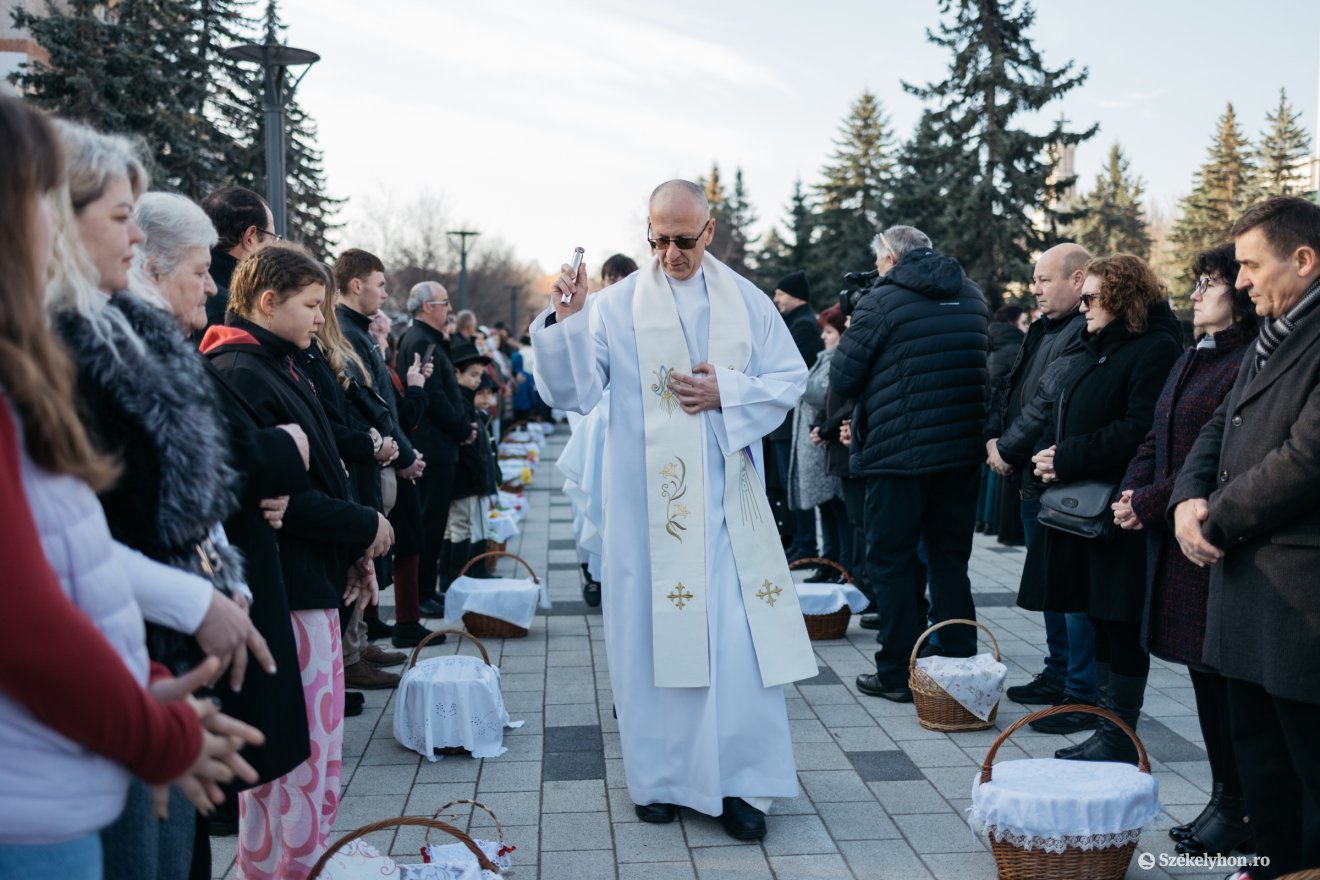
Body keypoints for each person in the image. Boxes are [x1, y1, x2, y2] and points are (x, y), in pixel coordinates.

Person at [0, 93, 260, 879]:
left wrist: (153, 681)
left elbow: (67, 548)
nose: (137, 232)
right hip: (49, 765)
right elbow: (29, 608)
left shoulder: (90, 340)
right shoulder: (53, 356)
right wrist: (155, 719)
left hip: (110, 704)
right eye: (118, 216)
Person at [532, 179, 815, 841]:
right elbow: (575, 392)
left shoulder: (747, 301)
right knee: (650, 645)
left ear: (709, 232)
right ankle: (659, 780)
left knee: (735, 650)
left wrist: (730, 390)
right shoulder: (617, 305)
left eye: (683, 240)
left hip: (724, 513)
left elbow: (790, 378)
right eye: (656, 239)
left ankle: (742, 784)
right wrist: (569, 320)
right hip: (645, 515)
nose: (669, 253)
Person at [131, 191, 315, 852]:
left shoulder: (166, 349)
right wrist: (286, 449)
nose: (213, 286)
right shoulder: (147, 356)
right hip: (160, 651)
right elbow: (221, 458)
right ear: (151, 268)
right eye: (200, 270)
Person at [201, 243, 391, 879]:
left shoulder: (281, 361)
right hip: (284, 590)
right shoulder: (240, 370)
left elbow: (322, 469)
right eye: (313, 305)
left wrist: (354, 549)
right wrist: (363, 525)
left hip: (311, 577)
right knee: (303, 759)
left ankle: (281, 866)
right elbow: (283, 498)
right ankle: (294, 868)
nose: (320, 318)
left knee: (301, 755)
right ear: (267, 302)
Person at [1170, 197, 1320, 880]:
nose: (1242, 281)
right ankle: (1269, 864)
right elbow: (1215, 432)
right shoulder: (1271, 337)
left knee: (1306, 758)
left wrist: (1215, 516)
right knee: (1257, 753)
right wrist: (1184, 505)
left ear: (1304, 260)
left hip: (1298, 592)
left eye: (1252, 266)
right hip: (1244, 590)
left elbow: (1306, 459)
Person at [1112, 243, 1256, 857]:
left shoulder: (1246, 359)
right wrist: (1132, 489)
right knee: (1202, 672)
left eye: (1210, 283)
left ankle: (1239, 806)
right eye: (1196, 283)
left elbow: (1218, 458)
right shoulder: (1194, 355)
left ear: (1242, 296)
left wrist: (1148, 503)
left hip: (1210, 535)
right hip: (1174, 531)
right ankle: (1223, 799)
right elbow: (1156, 433)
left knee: (1224, 676)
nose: (1195, 294)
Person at [1017, 254, 1182, 764]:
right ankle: (1109, 730)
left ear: (1121, 298)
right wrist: (1049, 454)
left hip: (1120, 507)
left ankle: (1117, 735)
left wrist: (1066, 457)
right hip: (1086, 509)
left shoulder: (1154, 347)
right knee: (1098, 614)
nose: (1083, 306)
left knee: (1119, 620)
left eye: (1091, 298)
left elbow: (1138, 428)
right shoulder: (1099, 344)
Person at [831, 225, 989, 702]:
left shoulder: (882, 301)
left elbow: (844, 375)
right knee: (949, 560)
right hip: (961, 451)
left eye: (879, 260)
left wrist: (856, 323)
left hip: (897, 454)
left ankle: (898, 669)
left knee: (892, 560)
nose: (877, 269)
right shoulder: (973, 294)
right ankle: (960, 662)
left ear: (892, 259)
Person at [986, 243, 1100, 733]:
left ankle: (1080, 688)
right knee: (1050, 588)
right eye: (1033, 279)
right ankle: (1057, 674)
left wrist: (1006, 449)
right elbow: (1015, 390)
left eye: (1045, 279)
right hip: (1033, 477)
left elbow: (1046, 402)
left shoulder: (1081, 331)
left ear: (1078, 282)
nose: (1034, 288)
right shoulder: (1043, 328)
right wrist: (996, 437)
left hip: (1059, 480)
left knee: (1071, 593)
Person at [334, 249, 434, 648]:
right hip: (369, 458)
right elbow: (368, 405)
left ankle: (360, 647)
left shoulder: (360, 332)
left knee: (376, 551)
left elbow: (384, 405)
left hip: (385, 451)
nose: (384, 292)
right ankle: (355, 652)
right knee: (366, 553)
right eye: (379, 284)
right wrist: (403, 455)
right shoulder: (350, 334)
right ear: (356, 285)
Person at [558, 254, 639, 607]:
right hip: (595, 423)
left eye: (624, 278)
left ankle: (624, 575)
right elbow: (578, 372)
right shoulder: (589, 312)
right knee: (591, 499)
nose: (616, 285)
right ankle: (593, 574)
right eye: (611, 278)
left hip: (632, 425)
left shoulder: (644, 315)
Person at [397, 281, 474, 616]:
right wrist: (460, 428)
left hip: (438, 445)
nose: (449, 310)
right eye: (444, 303)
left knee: (434, 521)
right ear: (427, 306)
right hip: (432, 446)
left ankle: (428, 588)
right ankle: (423, 592)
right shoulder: (420, 340)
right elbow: (433, 397)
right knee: (429, 522)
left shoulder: (427, 338)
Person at [768, 270, 823, 560]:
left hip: (791, 420)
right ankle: (796, 541)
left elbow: (795, 373)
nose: (776, 298)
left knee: (796, 485)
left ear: (796, 296)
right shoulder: (795, 323)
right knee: (785, 485)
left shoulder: (803, 326)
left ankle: (804, 544)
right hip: (785, 420)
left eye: (781, 293)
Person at [793, 304, 849, 581]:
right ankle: (828, 562)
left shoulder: (837, 359)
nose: (824, 337)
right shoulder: (824, 357)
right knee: (825, 510)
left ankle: (842, 566)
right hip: (817, 445)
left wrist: (797, 378)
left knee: (837, 511)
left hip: (826, 445)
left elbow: (826, 397)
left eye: (829, 331)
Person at [200, 185, 275, 329]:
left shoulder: (188, 290)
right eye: (272, 238)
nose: (273, 247)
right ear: (250, 238)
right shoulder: (234, 310)